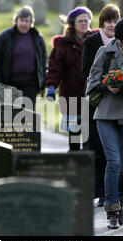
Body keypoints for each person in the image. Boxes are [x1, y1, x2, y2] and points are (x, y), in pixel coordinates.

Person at [86, 17, 123, 229]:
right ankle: (112, 210)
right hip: (106, 114)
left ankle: (120, 201)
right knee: (114, 162)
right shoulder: (105, 51)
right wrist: (107, 87)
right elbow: (92, 82)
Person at [81, 3, 121, 207]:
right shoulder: (92, 42)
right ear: (102, 23)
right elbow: (86, 71)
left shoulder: (122, 42)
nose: (112, 25)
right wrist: (106, 84)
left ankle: (107, 192)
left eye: (115, 21)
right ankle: (95, 190)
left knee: (110, 149)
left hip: (116, 102)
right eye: (108, 21)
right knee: (95, 146)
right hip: (96, 100)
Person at [46, 6, 93, 151]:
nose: (84, 24)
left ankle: (88, 166)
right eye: (81, 21)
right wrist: (52, 86)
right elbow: (55, 67)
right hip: (71, 94)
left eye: (86, 21)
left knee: (89, 135)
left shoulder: (94, 41)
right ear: (72, 24)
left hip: (91, 94)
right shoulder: (63, 44)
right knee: (74, 134)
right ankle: (73, 161)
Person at [0, 5, 47, 109]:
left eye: (27, 21)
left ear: (31, 22)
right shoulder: (5, 37)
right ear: (16, 20)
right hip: (8, 84)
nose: (24, 24)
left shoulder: (38, 38)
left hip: (30, 85)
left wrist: (42, 84)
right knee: (9, 117)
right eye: (21, 20)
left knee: (27, 118)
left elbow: (43, 61)